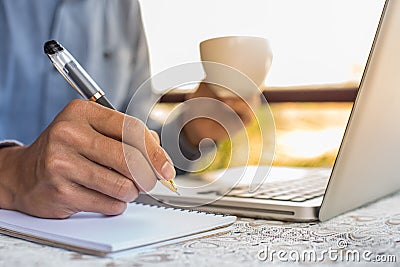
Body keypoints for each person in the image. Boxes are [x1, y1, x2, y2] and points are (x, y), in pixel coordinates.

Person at [0, 0, 254, 219]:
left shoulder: (123, 8)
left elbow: (135, 133)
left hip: (94, 226)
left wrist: (191, 131)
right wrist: (14, 172)